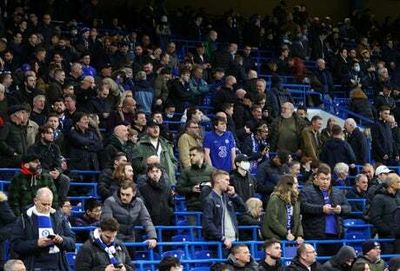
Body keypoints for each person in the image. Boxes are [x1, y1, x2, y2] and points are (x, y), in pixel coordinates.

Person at [10, 187, 75, 271]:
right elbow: (15, 245)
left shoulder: (59, 217)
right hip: (33, 265)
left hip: (58, 265)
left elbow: (72, 243)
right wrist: (36, 243)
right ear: (35, 201)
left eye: (49, 204)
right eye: (44, 204)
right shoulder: (24, 219)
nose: (47, 207)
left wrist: (62, 240)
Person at [300, 164, 351, 256]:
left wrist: (340, 209)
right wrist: (321, 209)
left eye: (328, 179)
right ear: (316, 177)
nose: (325, 182)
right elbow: (303, 207)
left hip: (336, 236)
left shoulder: (337, 192)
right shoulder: (306, 191)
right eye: (322, 179)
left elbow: (348, 207)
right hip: (315, 236)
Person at [102, 181, 157, 247]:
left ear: (134, 193)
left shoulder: (139, 202)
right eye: (122, 194)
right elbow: (107, 223)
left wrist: (153, 237)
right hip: (114, 239)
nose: (124, 197)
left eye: (127, 195)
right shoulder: (109, 202)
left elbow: (146, 220)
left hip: (131, 238)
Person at [202, 170, 246, 249]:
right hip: (220, 243)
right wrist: (222, 238)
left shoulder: (228, 197)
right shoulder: (210, 199)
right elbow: (207, 223)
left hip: (234, 240)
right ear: (218, 180)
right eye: (226, 180)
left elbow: (244, 209)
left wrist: (234, 195)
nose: (228, 183)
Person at [132, 119, 177, 185]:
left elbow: (174, 161)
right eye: (152, 127)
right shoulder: (139, 145)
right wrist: (146, 163)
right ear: (147, 129)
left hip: (167, 181)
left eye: (157, 127)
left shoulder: (167, 144)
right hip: (148, 182)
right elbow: (135, 165)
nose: (155, 129)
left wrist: (172, 168)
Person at [262, 175, 304, 243]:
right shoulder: (275, 199)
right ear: (288, 184)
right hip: (274, 238)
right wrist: (285, 233)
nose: (298, 185)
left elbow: (298, 219)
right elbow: (272, 220)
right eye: (295, 183)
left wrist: (299, 235)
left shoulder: (296, 200)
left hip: (291, 238)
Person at [176, 146, 214, 212]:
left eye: (194, 155)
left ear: (202, 155)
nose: (191, 157)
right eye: (190, 155)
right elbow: (178, 188)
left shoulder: (212, 170)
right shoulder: (186, 172)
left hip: (209, 206)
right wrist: (191, 189)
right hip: (192, 206)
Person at [369, 173, 400, 254]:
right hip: (387, 239)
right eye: (398, 182)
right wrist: (389, 231)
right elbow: (375, 218)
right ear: (391, 184)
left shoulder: (397, 197)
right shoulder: (379, 198)